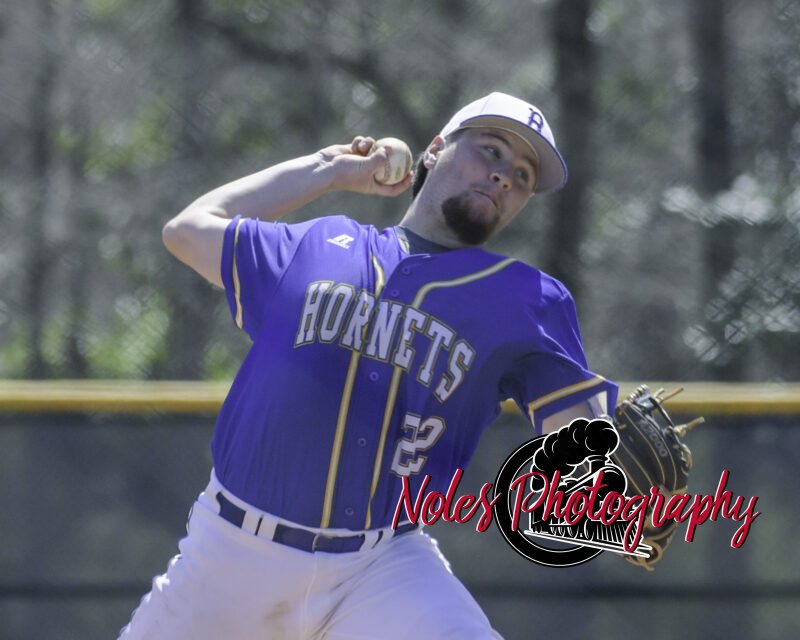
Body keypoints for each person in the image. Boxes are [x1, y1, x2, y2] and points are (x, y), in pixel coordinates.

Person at [120, 91, 618, 639]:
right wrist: (328, 169)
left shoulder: (526, 301)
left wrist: (610, 474)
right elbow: (188, 231)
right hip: (233, 553)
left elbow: (582, 434)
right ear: (435, 151)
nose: (504, 177)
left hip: (381, 566)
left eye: (523, 175)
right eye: (491, 151)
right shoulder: (316, 246)